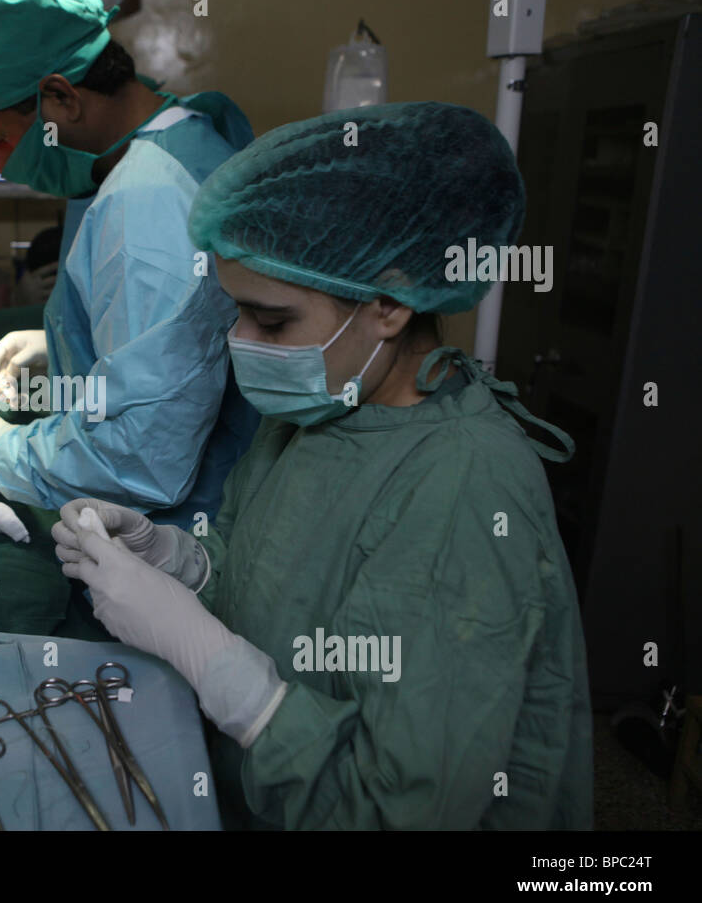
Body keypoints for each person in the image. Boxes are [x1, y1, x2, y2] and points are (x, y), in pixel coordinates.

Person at [52, 102, 594, 829]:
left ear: (389, 303)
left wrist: (219, 668)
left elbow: (399, 812)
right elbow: (272, 569)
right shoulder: (319, 408)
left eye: (272, 321)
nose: (243, 341)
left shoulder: (464, 489)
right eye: (234, 312)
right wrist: (178, 562)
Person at [0, 0, 260, 528]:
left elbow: (144, 456)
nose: (2, 165)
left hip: (176, 543)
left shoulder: (145, 199)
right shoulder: (186, 128)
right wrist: (73, 340)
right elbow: (192, 331)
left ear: (60, 97)